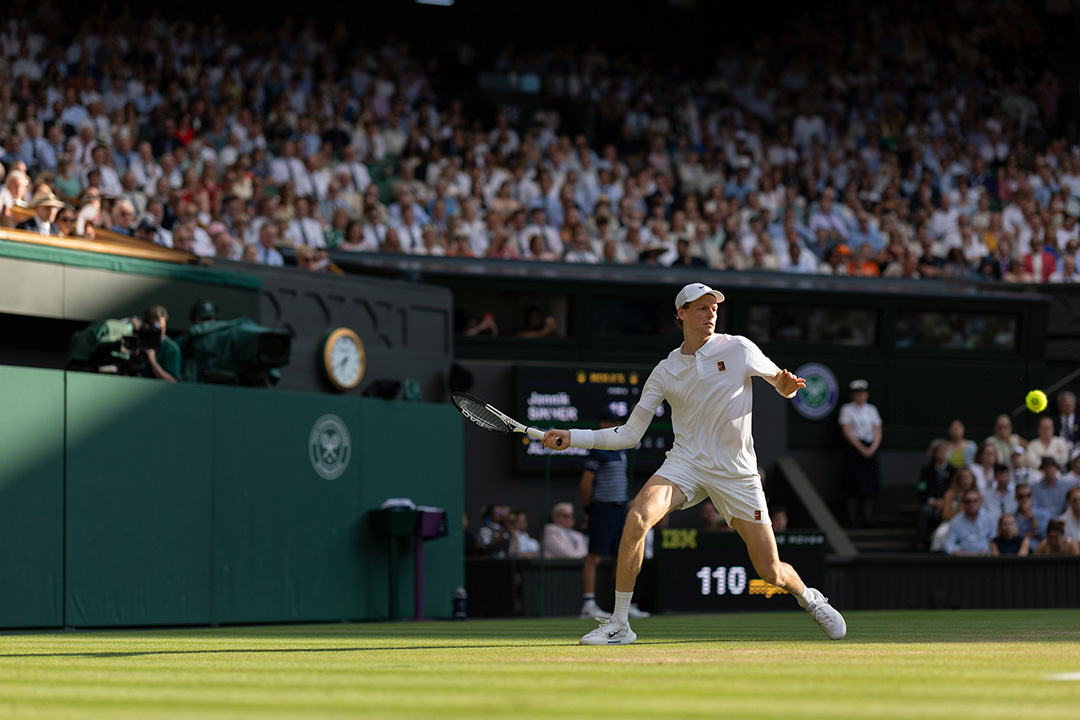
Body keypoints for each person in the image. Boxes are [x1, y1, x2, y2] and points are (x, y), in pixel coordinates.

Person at [541, 283, 845, 645]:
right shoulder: (665, 370)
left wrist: (786, 385)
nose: (710, 313)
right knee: (637, 517)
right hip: (685, 463)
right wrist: (572, 436)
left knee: (770, 570)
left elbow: (779, 382)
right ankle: (620, 624)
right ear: (681, 315)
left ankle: (810, 598)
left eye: (713, 307)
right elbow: (628, 434)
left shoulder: (738, 348)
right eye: (701, 308)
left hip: (736, 472)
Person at [578, 407, 649, 620]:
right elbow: (585, 485)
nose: (615, 426)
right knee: (595, 555)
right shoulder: (597, 451)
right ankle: (588, 605)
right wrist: (589, 511)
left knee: (622, 555)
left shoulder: (621, 450)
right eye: (611, 422)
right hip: (602, 508)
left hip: (619, 509)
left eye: (617, 422)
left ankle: (622, 606)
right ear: (602, 425)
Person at [839, 379, 883, 528]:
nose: (861, 396)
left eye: (863, 393)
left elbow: (877, 429)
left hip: (870, 449)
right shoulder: (847, 409)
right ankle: (852, 520)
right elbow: (847, 430)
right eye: (858, 393)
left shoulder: (872, 410)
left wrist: (873, 447)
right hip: (855, 449)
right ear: (853, 395)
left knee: (869, 486)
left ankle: (867, 519)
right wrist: (861, 448)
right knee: (853, 485)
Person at [916, 439, 955, 550]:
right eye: (940, 451)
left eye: (945, 451)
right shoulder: (926, 470)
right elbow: (921, 488)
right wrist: (932, 501)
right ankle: (921, 541)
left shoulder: (953, 470)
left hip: (947, 503)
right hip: (931, 503)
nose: (943, 454)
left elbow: (954, 489)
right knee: (925, 511)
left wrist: (945, 501)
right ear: (934, 453)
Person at [137, 305, 182, 383]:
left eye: (161, 327)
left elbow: (172, 381)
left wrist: (154, 363)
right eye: (154, 327)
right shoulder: (137, 342)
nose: (158, 331)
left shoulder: (171, 348)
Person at [943, 489, 994, 556]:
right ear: (963, 503)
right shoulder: (955, 521)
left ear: (980, 502)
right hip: (962, 560)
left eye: (975, 501)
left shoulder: (989, 519)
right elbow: (949, 543)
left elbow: (994, 540)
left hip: (985, 559)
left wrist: (989, 551)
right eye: (968, 501)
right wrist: (955, 552)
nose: (971, 504)